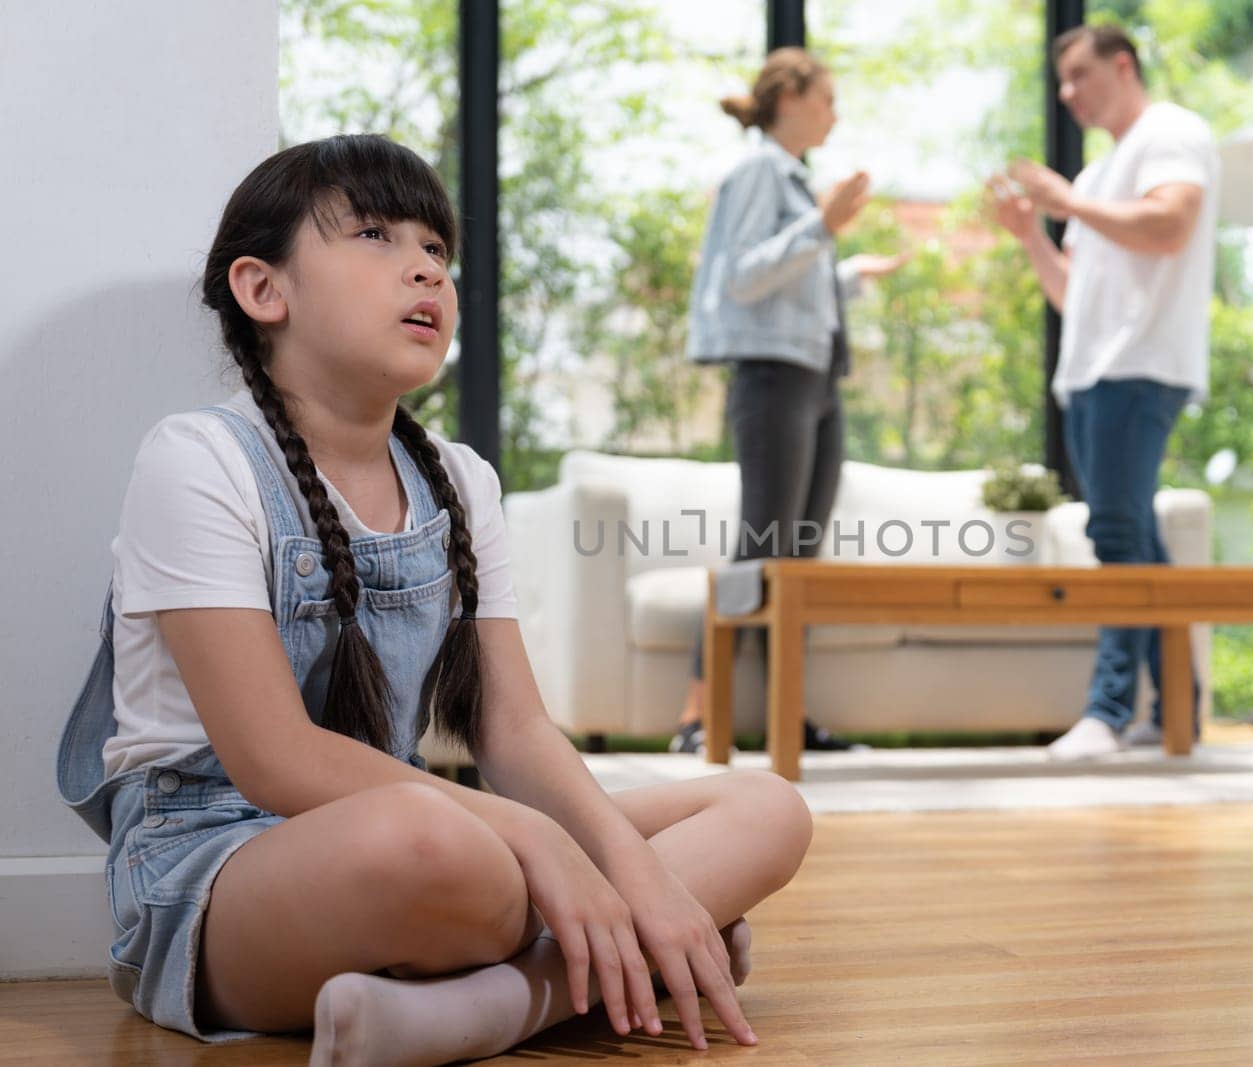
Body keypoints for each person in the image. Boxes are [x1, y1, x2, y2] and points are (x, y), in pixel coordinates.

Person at [55, 134, 813, 1066]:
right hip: (217, 867)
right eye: (375, 235)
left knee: (766, 806)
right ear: (264, 290)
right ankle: (634, 954)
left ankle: (499, 1004)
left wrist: (609, 862)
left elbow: (517, 735)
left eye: (437, 252)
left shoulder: (461, 478)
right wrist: (565, 851)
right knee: (442, 849)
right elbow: (275, 760)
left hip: (432, 831)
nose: (423, 268)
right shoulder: (199, 459)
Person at [988, 24, 1219, 761]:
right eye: (1062, 80)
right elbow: (1072, 294)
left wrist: (1065, 202)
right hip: (1091, 373)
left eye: (1081, 75)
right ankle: (1176, 707)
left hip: (1140, 368)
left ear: (1124, 66)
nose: (1067, 92)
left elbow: (1170, 226)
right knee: (1136, 536)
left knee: (1116, 536)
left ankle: (1108, 711)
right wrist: (1033, 233)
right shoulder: (1094, 177)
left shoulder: (1169, 132)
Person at [672, 47, 904, 755]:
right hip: (772, 378)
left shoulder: (796, 183)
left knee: (796, 559)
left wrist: (848, 273)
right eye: (828, 98)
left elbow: (790, 287)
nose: (835, 113)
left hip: (814, 378)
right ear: (793, 96)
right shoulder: (759, 172)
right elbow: (740, 277)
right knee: (763, 546)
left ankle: (784, 719)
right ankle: (695, 718)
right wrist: (822, 228)